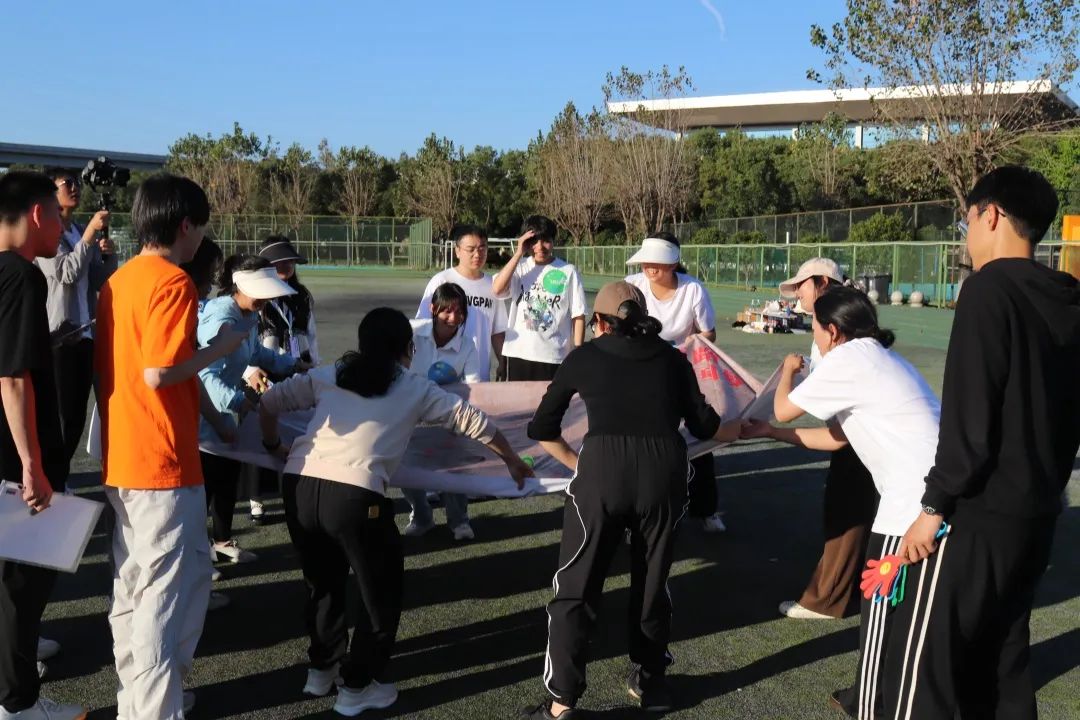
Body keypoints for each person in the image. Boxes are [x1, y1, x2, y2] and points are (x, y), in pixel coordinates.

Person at [258, 308, 533, 717]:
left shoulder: (332, 373)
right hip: (353, 495)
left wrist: (273, 447)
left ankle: (321, 671)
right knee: (380, 593)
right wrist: (511, 458)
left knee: (324, 583)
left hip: (299, 485)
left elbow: (268, 402)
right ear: (407, 349)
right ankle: (357, 687)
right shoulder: (414, 387)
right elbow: (471, 419)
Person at [894, 166, 1080, 720]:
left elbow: (969, 423)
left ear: (991, 215)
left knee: (936, 668)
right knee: (1005, 663)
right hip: (1039, 511)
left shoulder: (987, 289)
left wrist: (932, 509)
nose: (967, 234)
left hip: (981, 512)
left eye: (967, 220)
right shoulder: (1068, 298)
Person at [521, 281, 744, 719]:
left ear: (600, 322)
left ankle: (562, 702)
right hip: (663, 472)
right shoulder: (672, 359)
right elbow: (704, 425)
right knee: (651, 581)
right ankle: (652, 682)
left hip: (602, 471)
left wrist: (579, 465)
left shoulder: (584, 357)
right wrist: (738, 427)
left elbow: (542, 426)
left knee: (576, 586)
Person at [741, 286, 941, 720]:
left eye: (814, 327)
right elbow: (836, 438)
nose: (813, 335)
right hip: (935, 498)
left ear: (832, 331)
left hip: (911, 508)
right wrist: (771, 434)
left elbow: (784, 408)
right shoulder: (878, 357)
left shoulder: (848, 359)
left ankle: (869, 704)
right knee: (909, 617)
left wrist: (787, 370)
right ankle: (886, 697)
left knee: (881, 613)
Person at [95, 173, 247, 720]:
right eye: (200, 226)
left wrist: (214, 417)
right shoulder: (173, 282)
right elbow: (161, 373)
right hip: (161, 462)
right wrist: (221, 349)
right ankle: (155, 709)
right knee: (162, 596)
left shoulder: (118, 281)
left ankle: (139, 701)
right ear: (186, 226)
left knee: (137, 585)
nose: (200, 237)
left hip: (123, 455)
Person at [0, 171, 84, 720]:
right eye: (57, 215)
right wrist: (32, 464)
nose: (61, 226)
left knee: (14, 582)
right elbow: (11, 377)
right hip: (14, 454)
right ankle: (18, 704)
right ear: (37, 214)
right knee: (21, 579)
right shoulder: (22, 276)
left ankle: (18, 660)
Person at [774, 258, 877, 620]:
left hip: (858, 437)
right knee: (852, 512)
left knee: (845, 515)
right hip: (855, 433)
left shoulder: (839, 334)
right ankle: (847, 592)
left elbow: (785, 411)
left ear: (821, 282)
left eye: (801, 285)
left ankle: (828, 599)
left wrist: (786, 374)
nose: (796, 293)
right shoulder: (845, 326)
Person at [197, 255, 307, 564]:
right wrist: (237, 401)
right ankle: (197, 553)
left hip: (229, 415)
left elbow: (257, 353)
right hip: (204, 417)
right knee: (204, 488)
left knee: (227, 479)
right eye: (261, 292)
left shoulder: (249, 315)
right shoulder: (222, 316)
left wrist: (294, 365)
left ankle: (221, 541)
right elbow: (206, 374)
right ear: (240, 287)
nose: (265, 300)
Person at [624, 232, 726, 533]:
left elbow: (709, 334)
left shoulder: (693, 289)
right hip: (640, 374)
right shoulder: (632, 286)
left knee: (699, 437)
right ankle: (634, 517)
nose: (649, 267)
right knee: (639, 444)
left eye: (657, 262)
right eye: (646, 261)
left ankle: (706, 510)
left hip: (683, 373)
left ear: (672, 264)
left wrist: (687, 346)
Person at [36, 168, 117, 463]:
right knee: (60, 415)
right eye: (67, 183)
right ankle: (50, 477)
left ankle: (59, 476)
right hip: (60, 337)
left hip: (85, 334)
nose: (75, 188)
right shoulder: (48, 234)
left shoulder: (79, 231)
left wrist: (109, 255)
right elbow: (66, 272)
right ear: (51, 192)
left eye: (77, 183)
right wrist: (90, 235)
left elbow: (99, 279)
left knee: (76, 417)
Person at [244, 236, 320, 524]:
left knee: (295, 435)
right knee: (259, 433)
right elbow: (243, 341)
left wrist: (314, 367)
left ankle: (293, 494)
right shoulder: (255, 297)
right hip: (261, 375)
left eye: (290, 261)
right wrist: (249, 371)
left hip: (297, 370)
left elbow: (310, 335)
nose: (286, 266)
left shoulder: (302, 296)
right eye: (279, 262)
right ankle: (256, 498)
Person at [403, 282, 483, 540]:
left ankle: (459, 521)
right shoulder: (412, 332)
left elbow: (475, 386)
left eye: (459, 312)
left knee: (453, 467)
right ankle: (421, 516)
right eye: (447, 311)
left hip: (448, 415)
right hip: (410, 414)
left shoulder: (467, 346)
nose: (453, 318)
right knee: (406, 466)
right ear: (433, 309)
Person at [492, 216, 586, 381]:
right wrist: (518, 253)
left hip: (554, 356)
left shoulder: (568, 271)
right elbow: (497, 289)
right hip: (519, 354)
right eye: (534, 241)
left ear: (553, 241)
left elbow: (578, 315)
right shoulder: (520, 268)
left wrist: (578, 352)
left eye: (546, 241)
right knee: (519, 399)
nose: (540, 247)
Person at [416, 223, 507, 381]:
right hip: (440, 374)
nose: (477, 254)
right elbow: (422, 325)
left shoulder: (493, 285)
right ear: (457, 250)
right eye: (470, 249)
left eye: (482, 248)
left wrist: (503, 361)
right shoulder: (442, 280)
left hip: (478, 374)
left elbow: (497, 331)